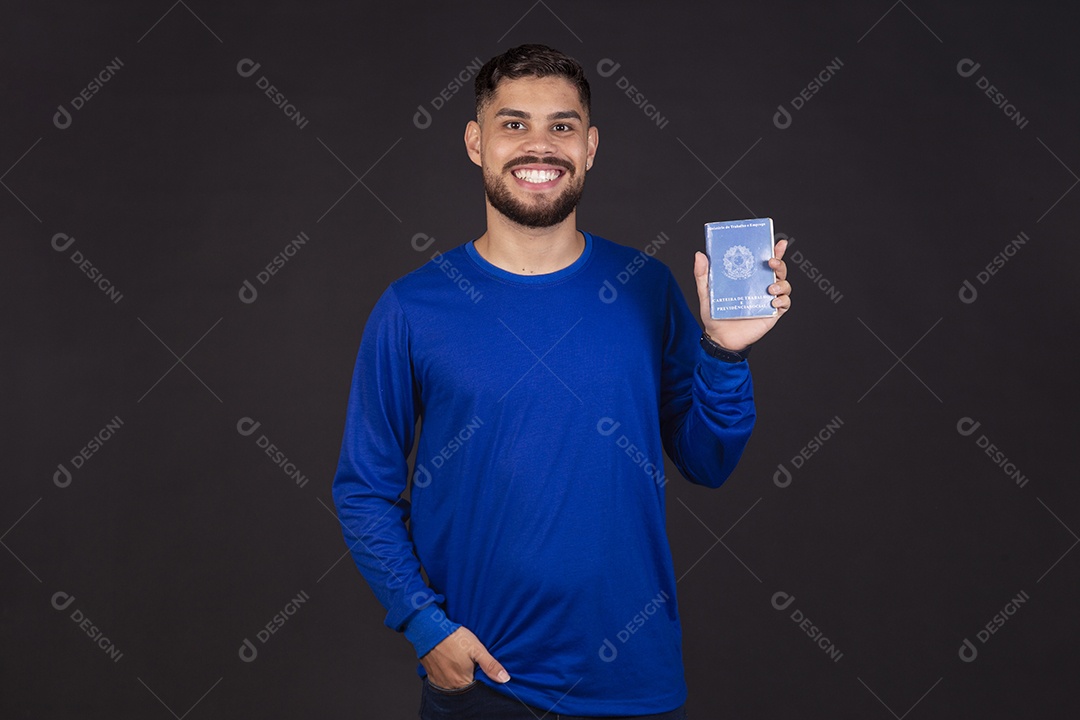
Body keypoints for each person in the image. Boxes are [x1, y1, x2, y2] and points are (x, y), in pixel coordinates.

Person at [332, 43, 791, 719]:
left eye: (562, 126)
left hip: (635, 685)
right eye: (513, 124)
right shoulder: (413, 308)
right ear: (475, 142)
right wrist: (424, 625)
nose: (539, 146)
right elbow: (363, 489)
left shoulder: (647, 289)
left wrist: (725, 353)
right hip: (484, 685)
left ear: (591, 145)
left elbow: (709, 460)